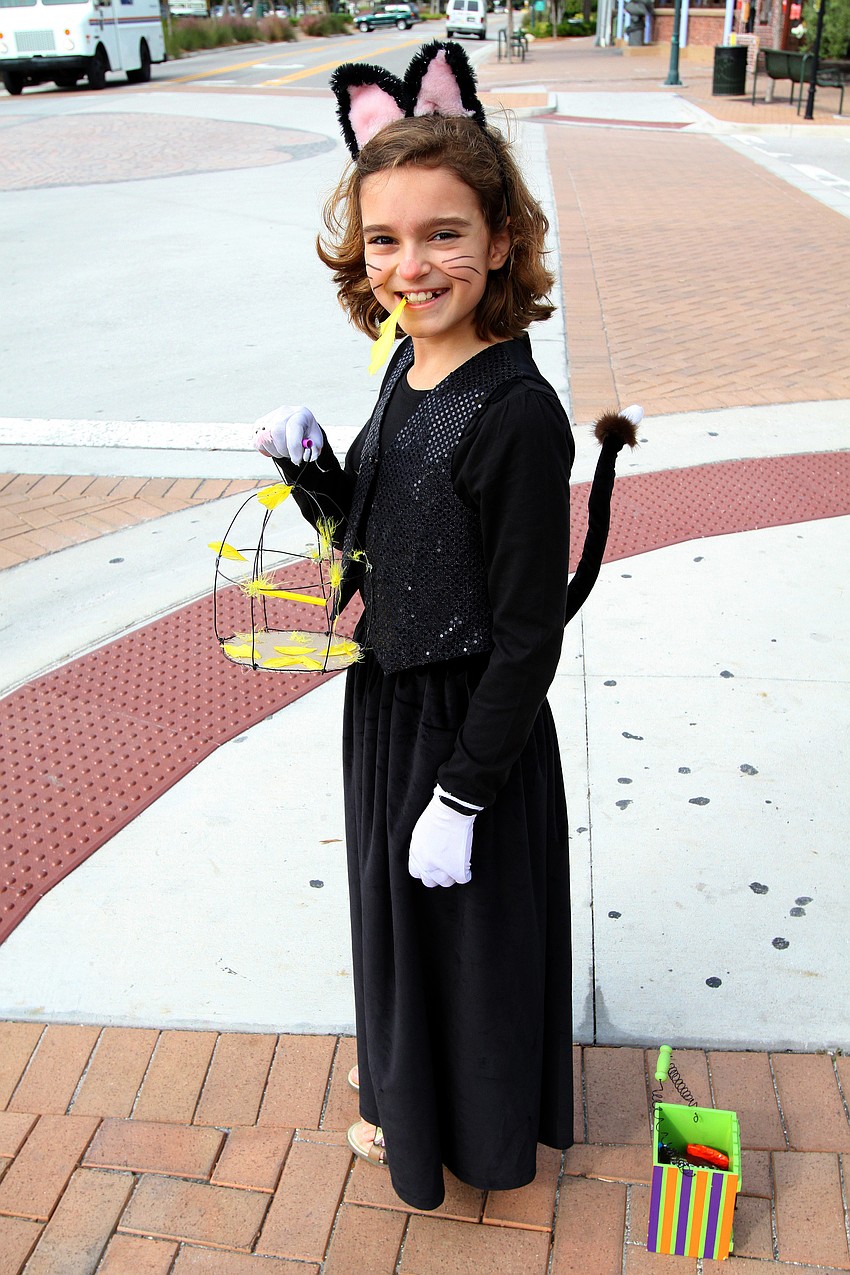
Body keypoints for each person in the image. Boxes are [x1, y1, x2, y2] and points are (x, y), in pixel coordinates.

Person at [253, 41, 579, 1212]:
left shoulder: (517, 415)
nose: (412, 265)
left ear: (499, 239)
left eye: (443, 234)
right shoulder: (404, 366)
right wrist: (310, 470)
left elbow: (528, 634)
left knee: (471, 947)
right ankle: (408, 1105)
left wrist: (466, 792)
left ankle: (482, 1139)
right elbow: (376, 534)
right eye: (385, 240)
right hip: (387, 701)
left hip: (465, 731)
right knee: (400, 934)